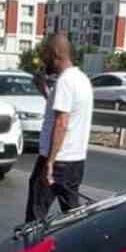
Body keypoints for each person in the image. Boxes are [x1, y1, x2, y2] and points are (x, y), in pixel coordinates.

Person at [24, 33, 93, 224]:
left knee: (36, 214)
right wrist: (44, 89)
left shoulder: (65, 82)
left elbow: (61, 123)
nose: (43, 58)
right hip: (75, 161)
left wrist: (50, 163)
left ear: (56, 54)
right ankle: (79, 247)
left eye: (45, 53)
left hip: (58, 160)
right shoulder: (81, 79)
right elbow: (62, 112)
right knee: (72, 215)